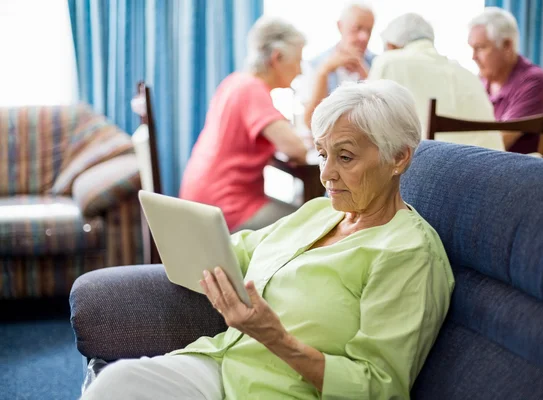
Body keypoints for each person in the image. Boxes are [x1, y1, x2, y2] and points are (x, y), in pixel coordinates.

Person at [81, 80, 455, 399]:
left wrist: (276, 338)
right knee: (113, 384)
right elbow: (240, 251)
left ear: (399, 158)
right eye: (323, 155)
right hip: (225, 362)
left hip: (284, 391)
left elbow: (379, 387)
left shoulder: (407, 253)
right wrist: (190, 242)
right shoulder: (320, 212)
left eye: (345, 157)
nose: (327, 175)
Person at [179, 17, 308, 232]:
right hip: (225, 208)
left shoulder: (235, 81)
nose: (300, 71)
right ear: (277, 58)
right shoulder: (252, 89)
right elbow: (296, 150)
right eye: (298, 61)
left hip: (200, 201)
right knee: (311, 225)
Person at [370, 13, 504, 151]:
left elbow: (367, 126)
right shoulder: (468, 74)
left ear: (391, 46)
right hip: (495, 167)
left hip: (440, 168)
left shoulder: (388, 62)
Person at [468, 7, 543, 160]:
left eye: (480, 48)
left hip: (530, 177)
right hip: (496, 168)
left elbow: (497, 143)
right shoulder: (482, 81)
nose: (473, 57)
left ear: (507, 45)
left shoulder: (534, 81)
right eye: (472, 48)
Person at [298, 2, 376, 129]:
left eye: (369, 30)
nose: (364, 37)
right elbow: (309, 122)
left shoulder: (377, 63)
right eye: (357, 28)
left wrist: (366, 75)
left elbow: (386, 116)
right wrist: (324, 72)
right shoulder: (314, 65)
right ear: (340, 26)